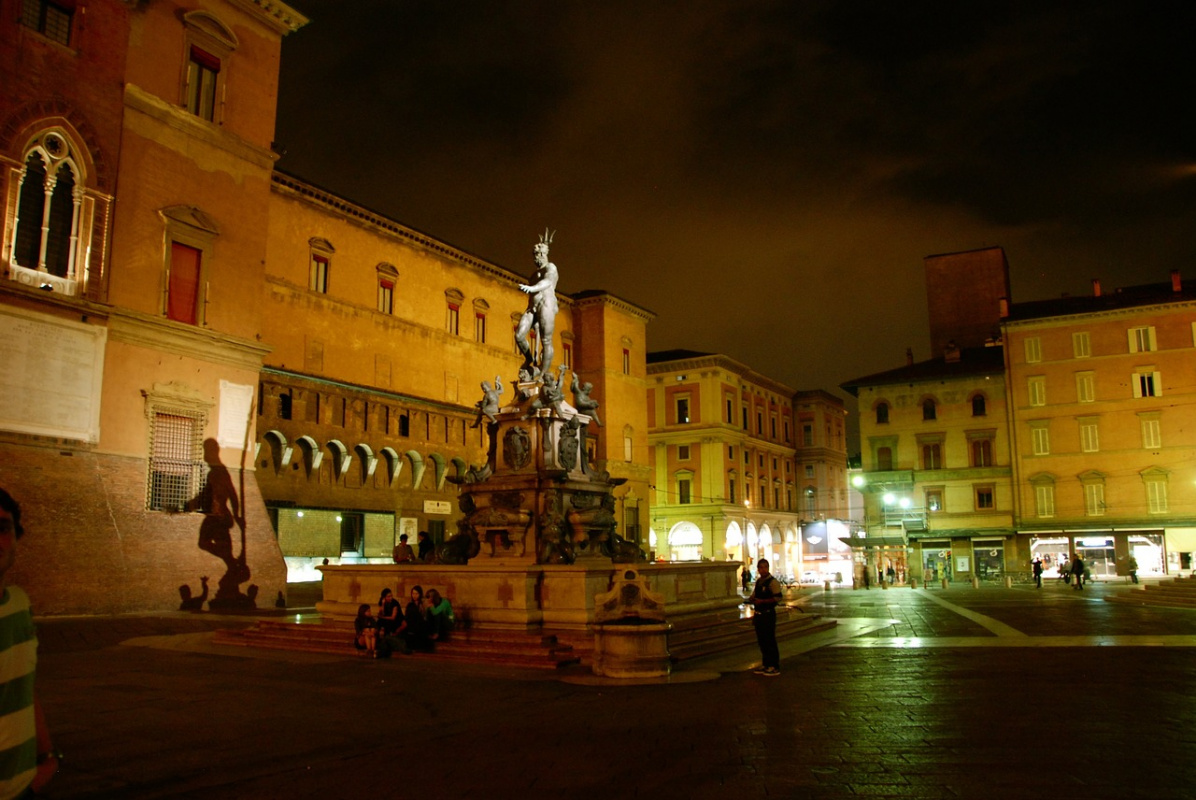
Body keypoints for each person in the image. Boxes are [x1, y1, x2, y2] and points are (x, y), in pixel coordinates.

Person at [0, 489, 58, 796]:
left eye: (3, 528)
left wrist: (46, 756)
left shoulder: (19, 605)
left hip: (24, 786)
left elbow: (24, 687)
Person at [514, 230, 560, 377]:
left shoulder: (550, 268)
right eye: (535, 255)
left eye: (540, 255)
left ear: (545, 255)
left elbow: (548, 282)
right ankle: (529, 359)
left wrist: (532, 288)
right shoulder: (533, 275)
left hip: (546, 303)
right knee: (519, 335)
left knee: (546, 340)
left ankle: (543, 374)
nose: (537, 258)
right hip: (532, 308)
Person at [749, 558, 783, 676]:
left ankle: (774, 665)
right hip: (759, 615)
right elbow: (754, 594)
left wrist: (763, 602)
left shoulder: (772, 582)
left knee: (769, 640)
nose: (763, 570)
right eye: (761, 567)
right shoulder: (759, 582)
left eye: (765, 567)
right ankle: (766, 663)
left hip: (768, 614)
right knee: (762, 640)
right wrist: (752, 599)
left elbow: (778, 598)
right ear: (758, 569)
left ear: (768, 568)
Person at [402, 585, 432, 651]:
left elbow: (425, 616)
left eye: (416, 594)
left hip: (420, 626)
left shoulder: (422, 604)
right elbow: (408, 616)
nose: (414, 595)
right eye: (413, 593)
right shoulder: (410, 605)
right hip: (412, 626)